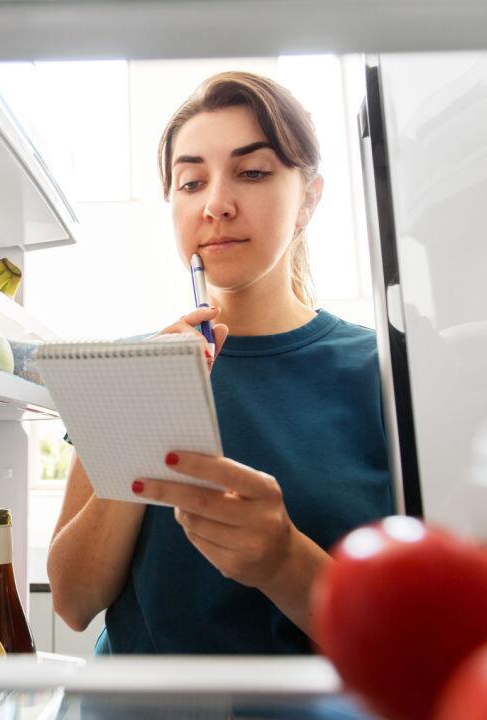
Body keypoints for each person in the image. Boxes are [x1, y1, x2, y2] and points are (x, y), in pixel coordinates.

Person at [47, 71, 393, 656]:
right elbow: (73, 602)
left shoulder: (383, 373)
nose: (216, 205)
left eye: (253, 172)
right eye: (190, 182)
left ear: (308, 197)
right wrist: (141, 425)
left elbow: (406, 640)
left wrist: (285, 562)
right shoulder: (129, 367)